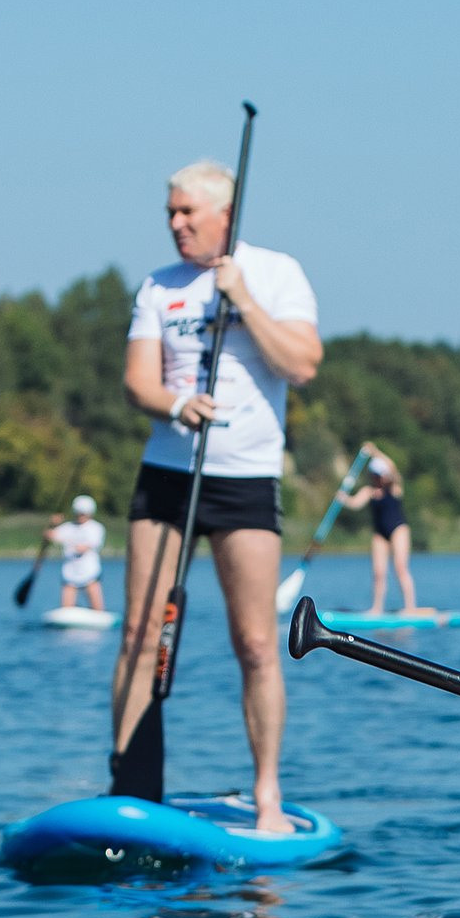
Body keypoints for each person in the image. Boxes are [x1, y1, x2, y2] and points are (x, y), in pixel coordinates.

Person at [116, 158, 322, 832]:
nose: (175, 224)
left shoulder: (275, 272)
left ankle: (266, 793)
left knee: (256, 642)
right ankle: (133, 787)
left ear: (225, 217)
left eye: (187, 213)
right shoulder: (158, 286)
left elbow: (302, 363)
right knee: (142, 632)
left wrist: (243, 300)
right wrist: (178, 404)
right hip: (169, 476)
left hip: (244, 480)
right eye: (169, 213)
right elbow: (137, 384)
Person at [336, 441, 420, 614]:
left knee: (400, 568)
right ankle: (376, 608)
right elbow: (355, 503)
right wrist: (343, 498)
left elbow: (393, 467)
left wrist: (375, 452)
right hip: (380, 533)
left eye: (380, 475)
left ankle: (410, 608)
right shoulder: (369, 491)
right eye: (375, 474)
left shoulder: (395, 488)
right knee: (379, 573)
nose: (377, 478)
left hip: (398, 530)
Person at [45, 495, 107, 612]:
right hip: (70, 573)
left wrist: (70, 542)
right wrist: (53, 523)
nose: (81, 516)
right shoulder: (67, 527)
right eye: (79, 513)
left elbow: (85, 547)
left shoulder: (96, 528)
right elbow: (49, 535)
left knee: (98, 610)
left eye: (84, 513)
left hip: (90, 573)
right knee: (66, 610)